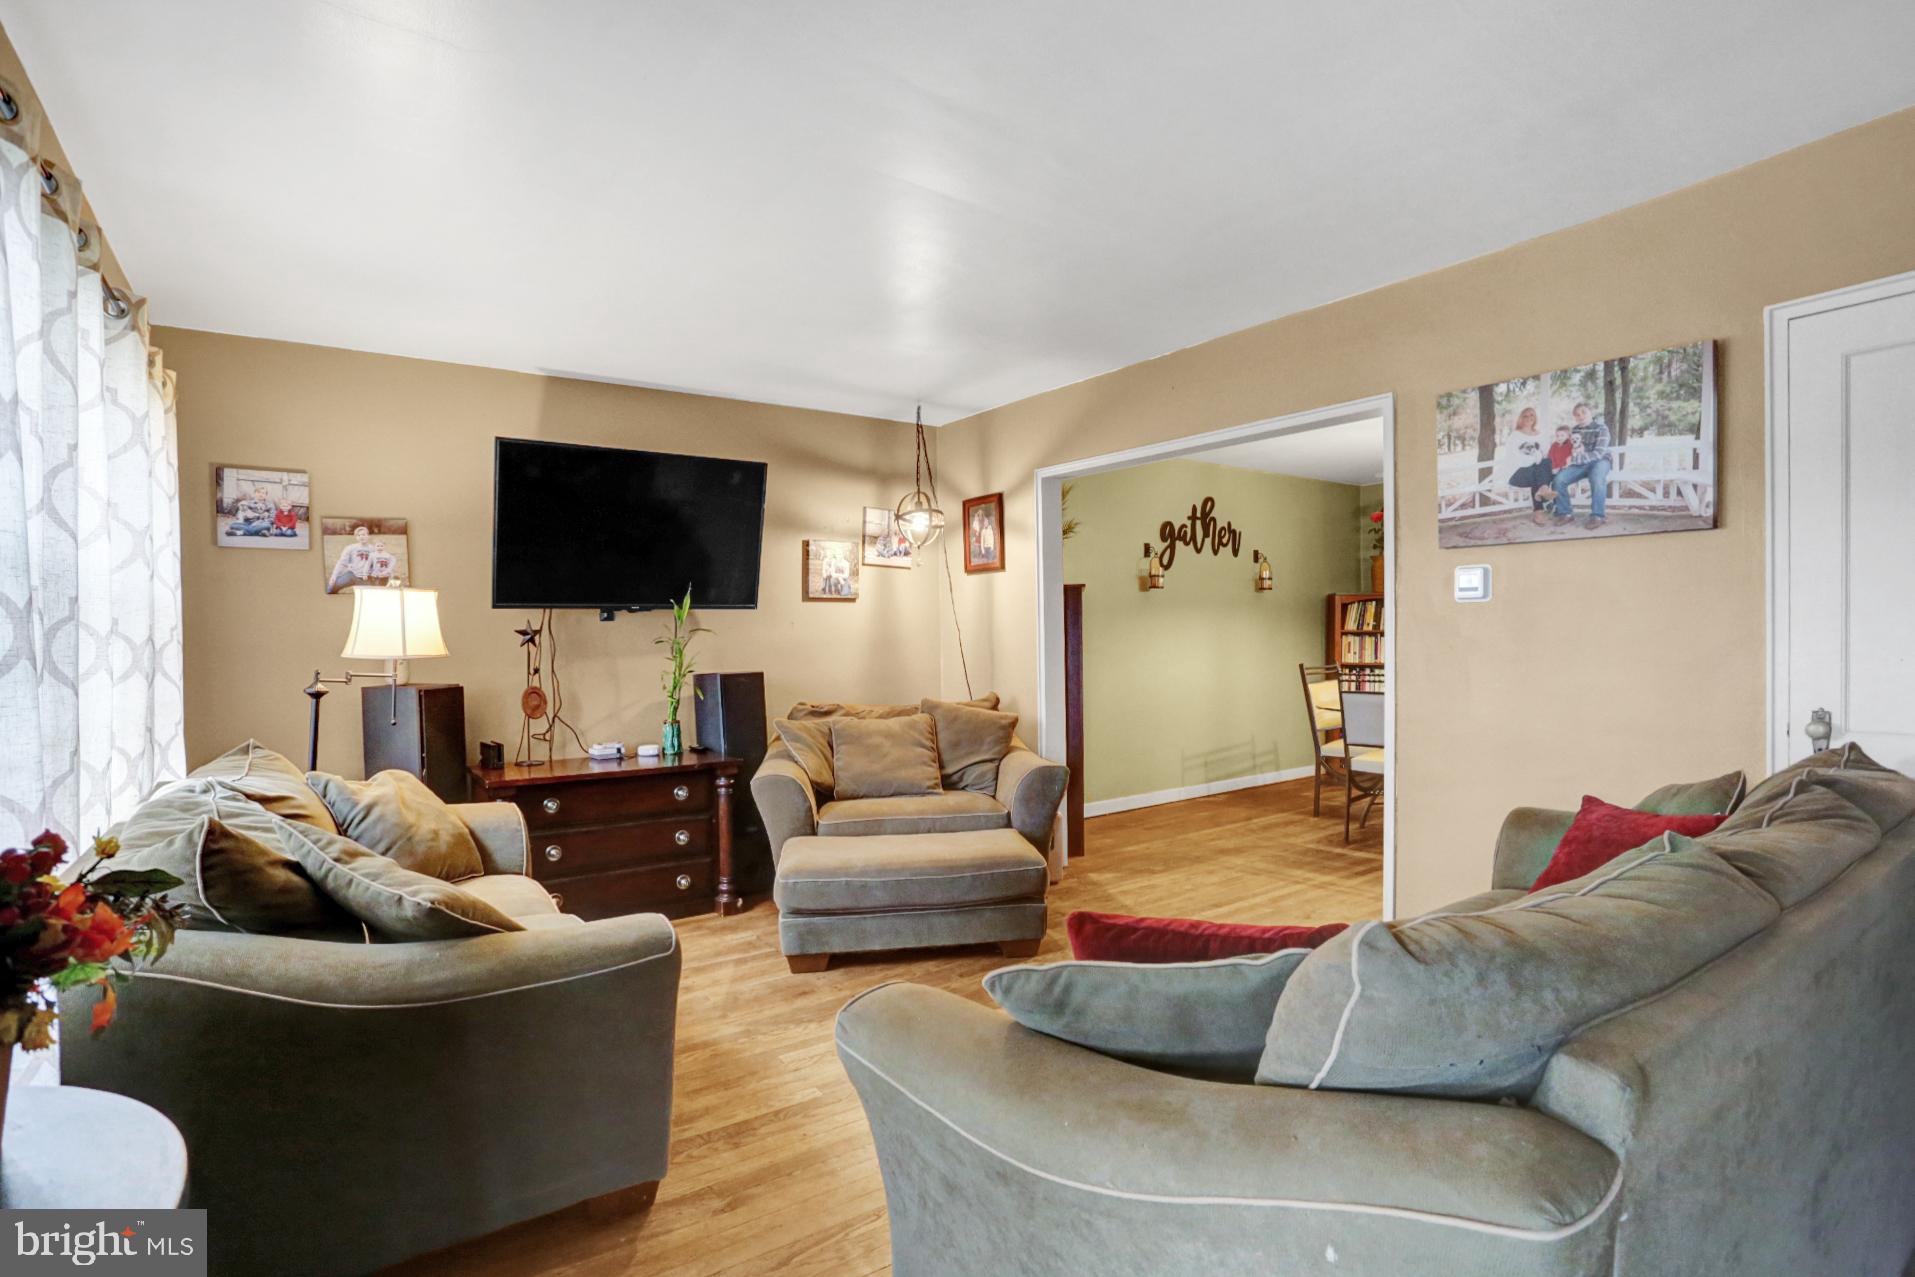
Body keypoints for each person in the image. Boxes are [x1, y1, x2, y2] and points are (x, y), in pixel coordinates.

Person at [1550, 402, 1612, 529]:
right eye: (1577, 414)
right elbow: (1568, 449)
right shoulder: (1575, 430)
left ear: (1591, 413)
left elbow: (1599, 453)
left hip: (1600, 461)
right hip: (1580, 463)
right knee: (1559, 480)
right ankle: (1566, 513)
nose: (1580, 416)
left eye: (1584, 412)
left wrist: (1575, 459)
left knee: (1597, 478)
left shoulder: (1601, 428)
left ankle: (1597, 516)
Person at [1493, 406, 1554, 526]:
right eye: (1525, 416)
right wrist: (1537, 457)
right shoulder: (1515, 436)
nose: (1529, 418)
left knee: (1545, 464)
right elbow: (1518, 460)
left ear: (1535, 417)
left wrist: (1539, 458)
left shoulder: (1540, 435)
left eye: (1531, 415)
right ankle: (1544, 491)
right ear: (1520, 419)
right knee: (1540, 469)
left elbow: (1547, 454)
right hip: (1517, 474)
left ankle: (1539, 508)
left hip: (1535, 473)